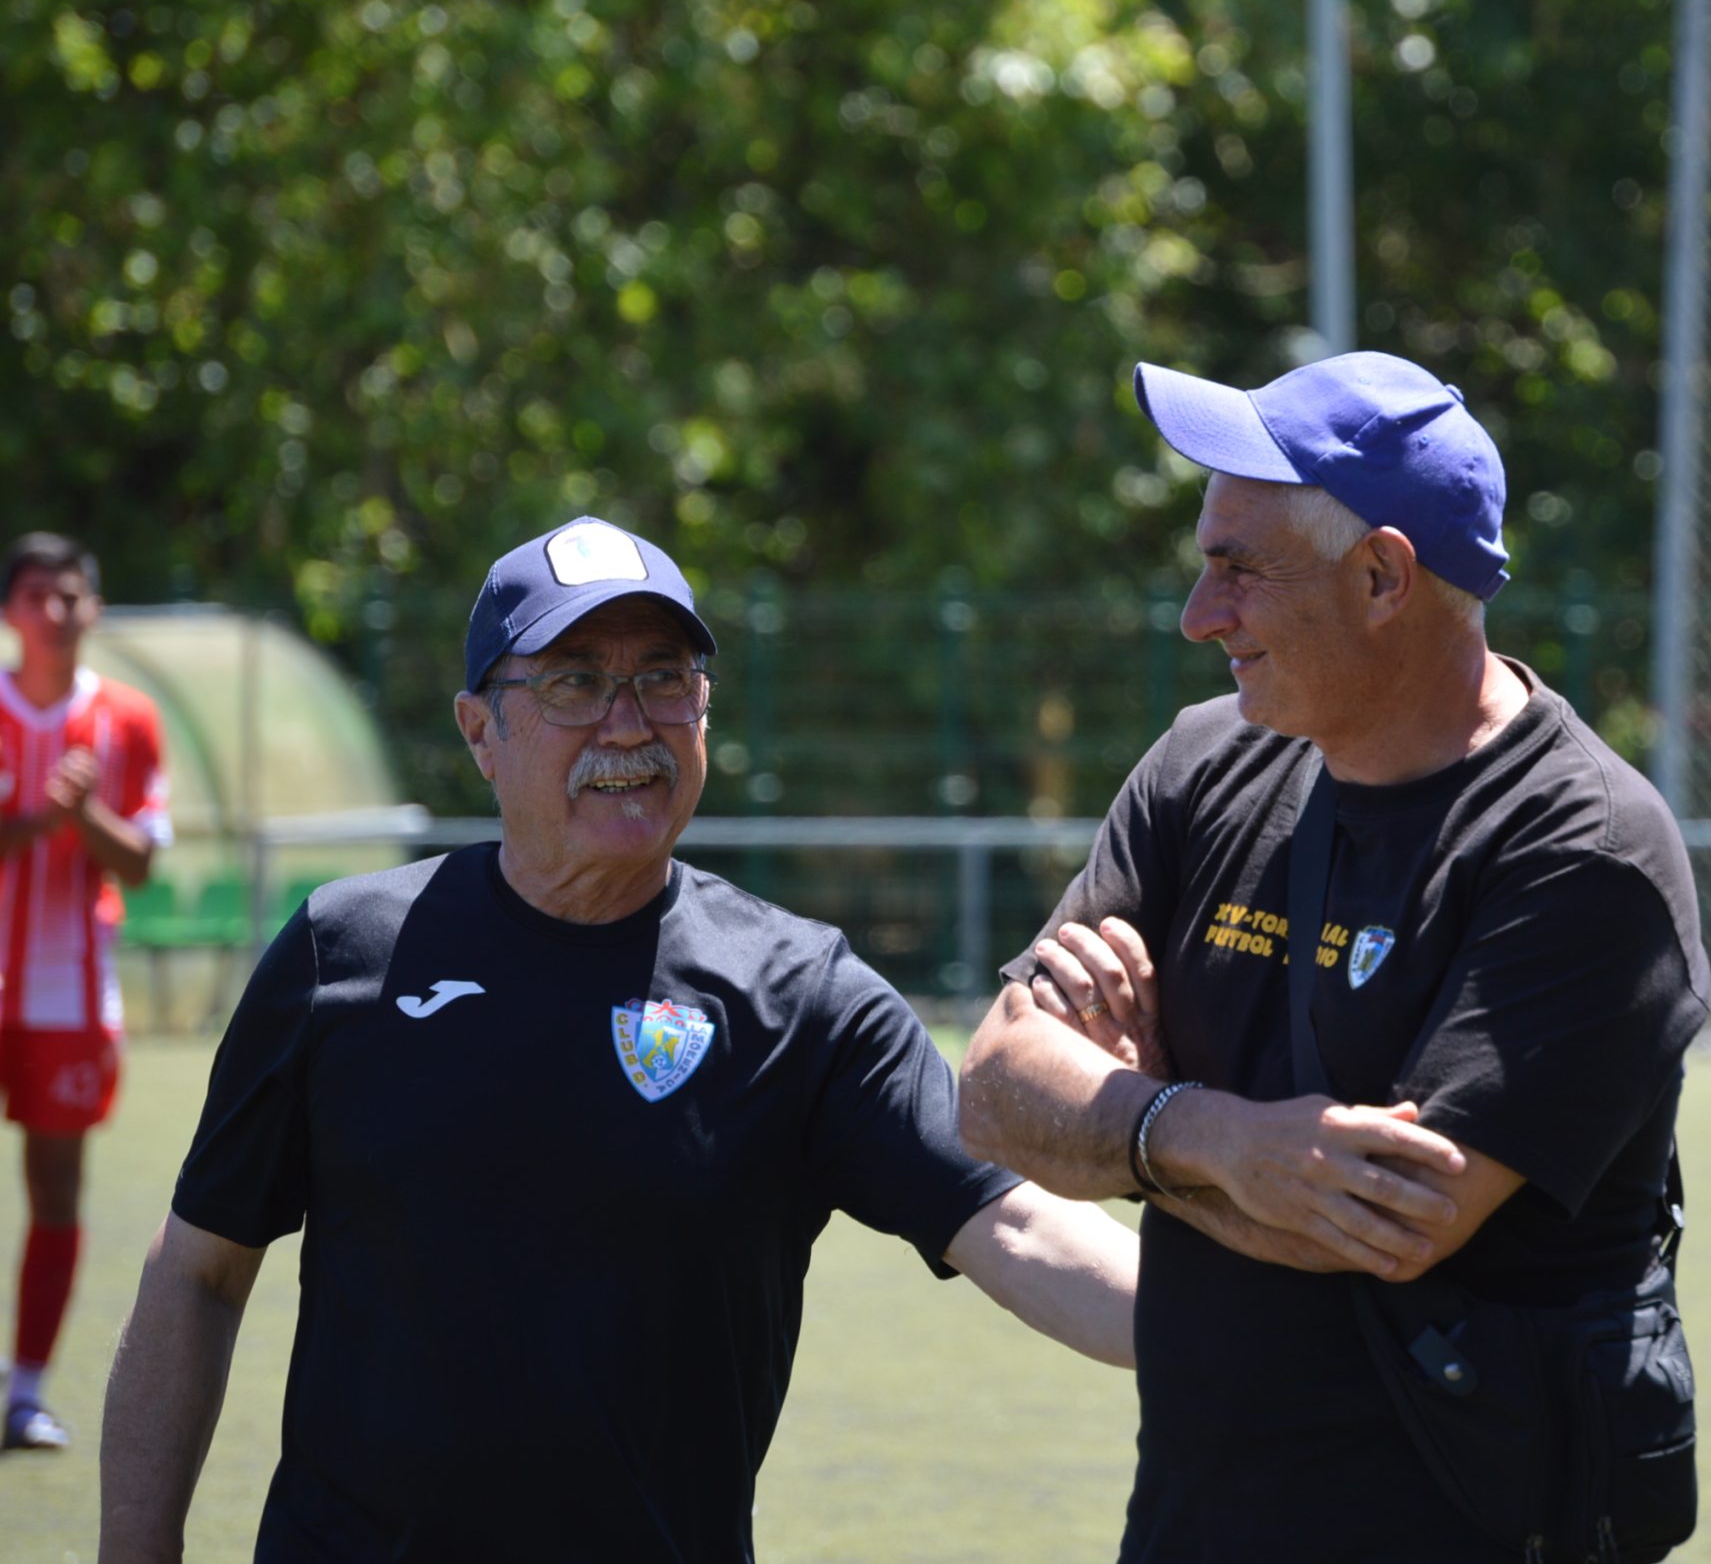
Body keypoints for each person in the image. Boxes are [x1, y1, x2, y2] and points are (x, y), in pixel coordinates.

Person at [98, 516, 1139, 1561]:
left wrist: (1251, 1324)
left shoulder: (800, 993)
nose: (627, 724)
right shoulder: (343, 952)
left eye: (663, 677)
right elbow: (197, 1268)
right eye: (575, 682)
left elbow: (1013, 1226)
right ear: (478, 731)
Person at [959, 352, 1711, 1562]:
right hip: (1194, 1522)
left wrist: (1116, 1118)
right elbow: (993, 1090)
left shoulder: (1586, 850)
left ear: (1381, 576)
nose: (1201, 615)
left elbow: (1384, 1218)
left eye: (1238, 567)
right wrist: (1208, 1134)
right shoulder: (1202, 763)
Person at [1, 532, 172, 1452]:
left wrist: (85, 816)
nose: (55, 611)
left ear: (94, 609)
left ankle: (24, 1391)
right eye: (37, 594)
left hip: (68, 992)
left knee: (56, 1189)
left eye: (71, 596)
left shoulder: (129, 721)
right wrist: (36, 820)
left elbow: (142, 861)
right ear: (10, 611)